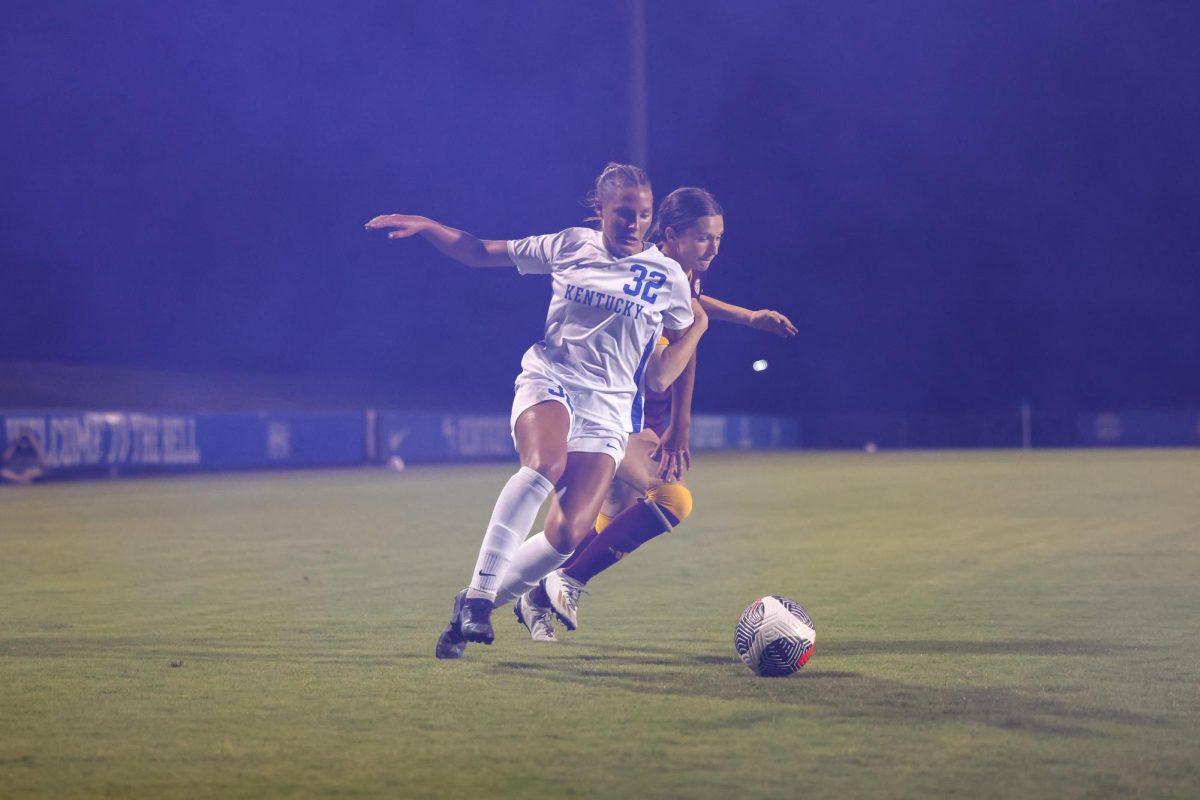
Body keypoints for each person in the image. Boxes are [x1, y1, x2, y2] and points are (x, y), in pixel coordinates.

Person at [365, 163, 708, 659]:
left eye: (643, 215)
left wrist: (696, 328)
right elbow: (481, 252)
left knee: (566, 535)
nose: (634, 225)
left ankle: (466, 609)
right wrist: (429, 226)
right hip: (552, 380)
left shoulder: (667, 277)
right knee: (545, 464)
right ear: (601, 211)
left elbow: (657, 376)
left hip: (609, 413)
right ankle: (481, 600)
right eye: (623, 214)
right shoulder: (570, 245)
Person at [503, 187, 797, 640]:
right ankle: (556, 582)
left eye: (719, 238)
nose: (714, 248)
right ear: (672, 236)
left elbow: (698, 308)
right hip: (611, 416)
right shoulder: (650, 278)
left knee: (599, 519)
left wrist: (748, 317)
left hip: (635, 419)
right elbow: (666, 369)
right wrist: (680, 427)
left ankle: (531, 595)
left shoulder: (680, 275)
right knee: (673, 500)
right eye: (703, 238)